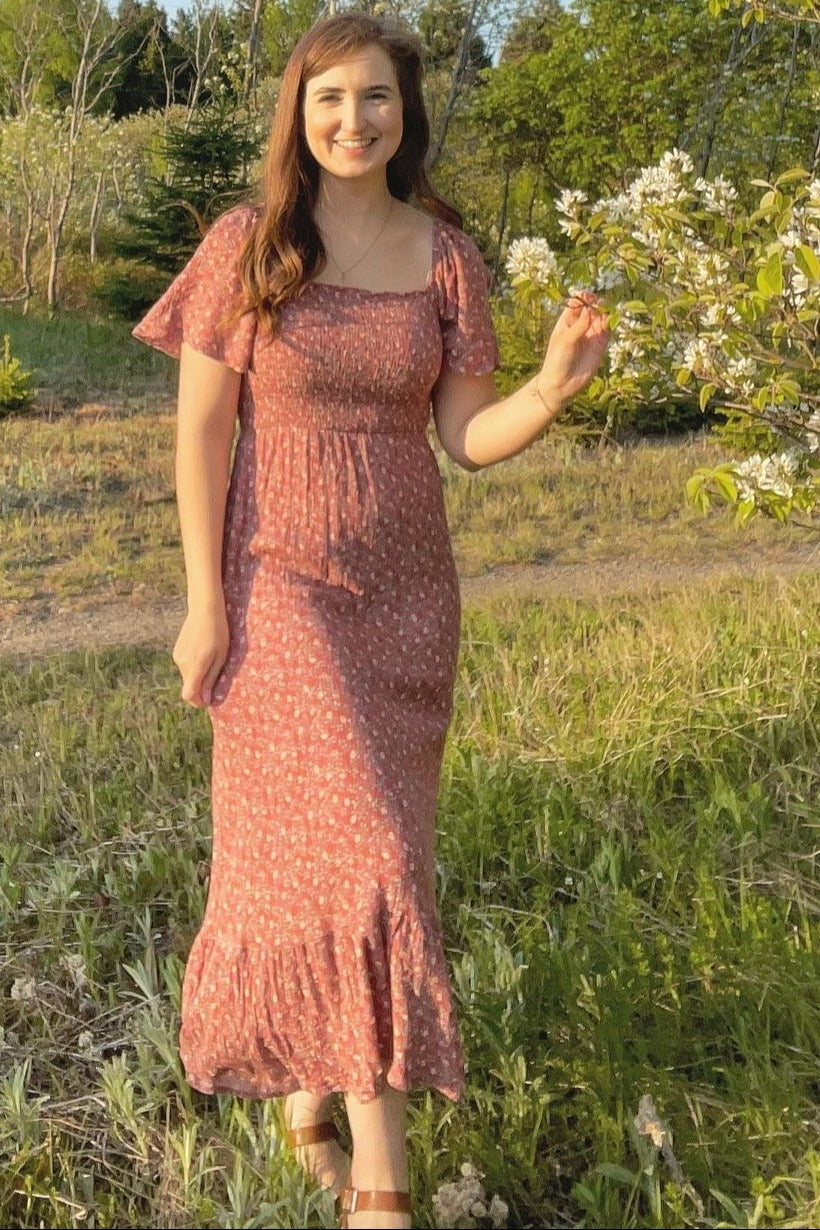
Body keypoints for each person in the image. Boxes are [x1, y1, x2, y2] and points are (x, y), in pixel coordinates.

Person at [132, 11, 609, 1229]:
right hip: (275, 576)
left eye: (378, 99)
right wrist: (202, 607)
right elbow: (199, 433)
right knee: (366, 859)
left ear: (409, 113)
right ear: (298, 111)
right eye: (331, 98)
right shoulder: (250, 243)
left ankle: (310, 1080)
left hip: (406, 595)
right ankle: (383, 1191)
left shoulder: (443, 254)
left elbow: (466, 439)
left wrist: (550, 389)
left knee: (364, 850)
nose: (355, 120)